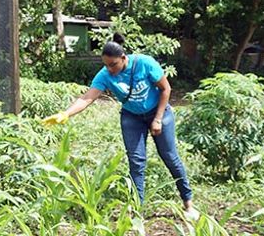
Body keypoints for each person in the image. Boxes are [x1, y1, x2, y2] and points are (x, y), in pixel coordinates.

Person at [42, 34, 198, 220]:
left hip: (159, 112)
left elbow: (166, 89)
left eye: (113, 64)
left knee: (169, 156)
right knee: (136, 162)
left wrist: (157, 119)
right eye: (106, 65)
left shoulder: (145, 63)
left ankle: (188, 204)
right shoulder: (105, 75)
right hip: (132, 117)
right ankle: (137, 209)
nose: (110, 69)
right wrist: (65, 114)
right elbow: (87, 98)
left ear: (124, 58)